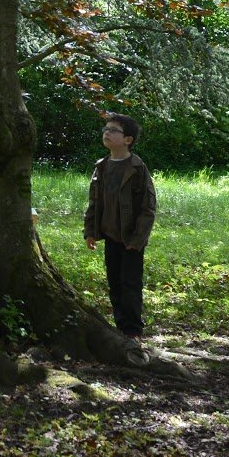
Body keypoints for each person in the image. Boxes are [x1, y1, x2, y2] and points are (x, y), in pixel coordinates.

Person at [83, 113, 156, 339]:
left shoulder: (137, 168)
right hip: (111, 236)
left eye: (113, 130)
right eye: (105, 128)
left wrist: (137, 239)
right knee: (114, 282)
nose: (107, 132)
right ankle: (120, 326)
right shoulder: (102, 167)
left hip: (131, 239)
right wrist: (90, 232)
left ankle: (132, 330)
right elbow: (94, 202)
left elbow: (148, 207)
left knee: (130, 284)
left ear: (128, 140)